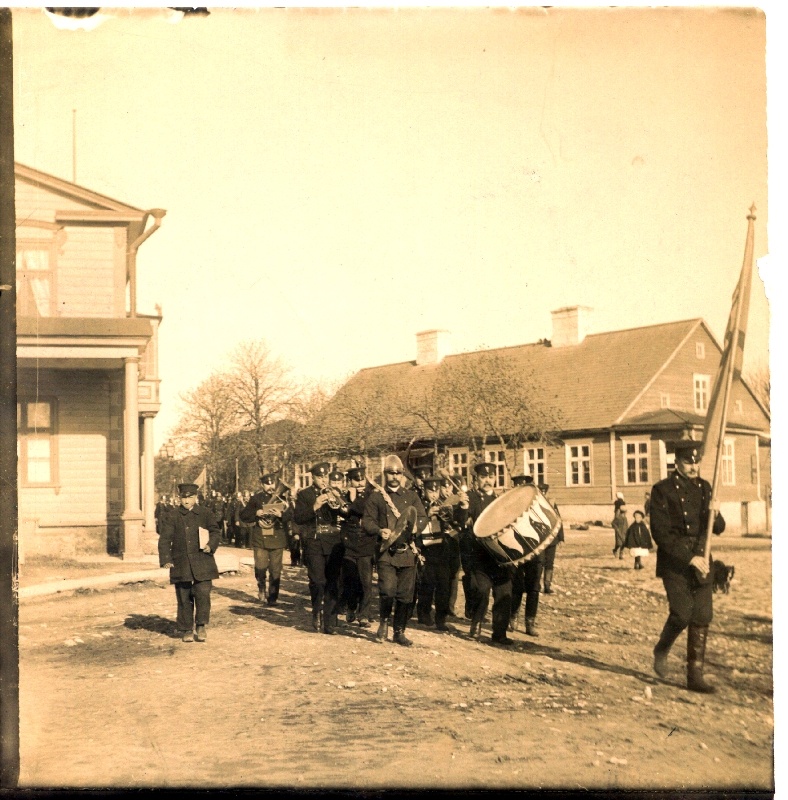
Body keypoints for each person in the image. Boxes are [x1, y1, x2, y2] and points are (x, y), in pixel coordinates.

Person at [650, 441, 725, 693]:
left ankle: (695, 676)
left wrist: (717, 513)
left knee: (702, 615)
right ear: (676, 463)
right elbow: (660, 532)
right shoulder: (662, 490)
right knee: (682, 613)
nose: (694, 467)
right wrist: (688, 557)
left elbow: (718, 528)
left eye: (696, 462)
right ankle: (662, 649)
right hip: (675, 561)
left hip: (703, 557)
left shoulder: (705, 488)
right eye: (688, 462)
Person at [363, 454, 427, 646]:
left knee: (405, 596)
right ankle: (383, 622)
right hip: (386, 552)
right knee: (388, 590)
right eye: (390, 473)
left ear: (403, 475)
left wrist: (417, 527)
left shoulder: (411, 496)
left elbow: (422, 517)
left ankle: (399, 631)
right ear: (385, 474)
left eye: (398, 473)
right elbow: (367, 521)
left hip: (407, 552)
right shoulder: (377, 497)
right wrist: (379, 530)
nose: (394, 477)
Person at [456, 462, 513, 646]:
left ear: (495, 478)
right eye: (483, 477)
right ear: (476, 479)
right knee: (481, 590)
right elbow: (460, 523)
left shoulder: (501, 500)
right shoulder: (470, 498)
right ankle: (477, 622)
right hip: (479, 556)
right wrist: (463, 508)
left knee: (504, 593)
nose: (487, 481)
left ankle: (499, 633)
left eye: (490, 477)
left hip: (500, 556)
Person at [158, 482, 222, 643]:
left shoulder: (205, 513)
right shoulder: (172, 515)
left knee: (202, 594)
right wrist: (166, 559)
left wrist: (211, 545)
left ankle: (201, 625)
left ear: (196, 497)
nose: (186, 501)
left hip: (203, 560)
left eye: (190, 498)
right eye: (183, 498)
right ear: (179, 498)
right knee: (184, 596)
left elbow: (215, 532)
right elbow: (165, 539)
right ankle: (186, 628)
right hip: (181, 562)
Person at [294, 462, 346, 635]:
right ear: (313, 478)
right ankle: (317, 610)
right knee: (317, 581)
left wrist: (337, 502)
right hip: (314, 541)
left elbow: (345, 512)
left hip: (333, 541)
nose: (323, 480)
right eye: (319, 477)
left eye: (325, 476)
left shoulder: (335, 492)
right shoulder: (304, 495)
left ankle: (330, 621)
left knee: (333, 581)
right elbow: (299, 518)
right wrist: (315, 506)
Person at [239, 473, 290, 605]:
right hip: (260, 538)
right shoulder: (256, 499)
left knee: (275, 570)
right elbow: (244, 515)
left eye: (272, 483)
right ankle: (261, 585)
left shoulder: (283, 499)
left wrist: (281, 514)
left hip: (277, 538)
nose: (270, 486)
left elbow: (292, 516)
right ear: (262, 485)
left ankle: (273, 597)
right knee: (260, 567)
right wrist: (255, 513)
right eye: (267, 484)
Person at [416, 476, 458, 631]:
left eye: (436, 490)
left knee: (443, 586)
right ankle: (424, 614)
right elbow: (415, 525)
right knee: (427, 584)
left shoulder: (444, 504)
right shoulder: (419, 504)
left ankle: (441, 618)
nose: (434, 494)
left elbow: (454, 523)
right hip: (425, 548)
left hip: (441, 549)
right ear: (424, 490)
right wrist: (427, 514)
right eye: (430, 491)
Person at [339, 467, 376, 628]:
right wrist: (348, 502)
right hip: (349, 542)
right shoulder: (344, 496)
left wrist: (353, 503)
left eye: (362, 480)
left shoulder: (372, 495)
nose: (360, 483)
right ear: (350, 482)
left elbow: (362, 510)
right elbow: (342, 513)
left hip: (366, 542)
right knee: (350, 579)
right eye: (356, 480)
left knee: (366, 581)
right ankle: (352, 607)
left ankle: (364, 615)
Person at [539, 483, 563, 594]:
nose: (543, 493)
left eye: (544, 492)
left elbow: (559, 520)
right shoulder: (535, 503)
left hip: (552, 539)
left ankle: (547, 585)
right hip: (539, 539)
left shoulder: (552, 503)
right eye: (541, 491)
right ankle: (536, 585)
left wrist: (561, 537)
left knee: (549, 563)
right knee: (540, 562)